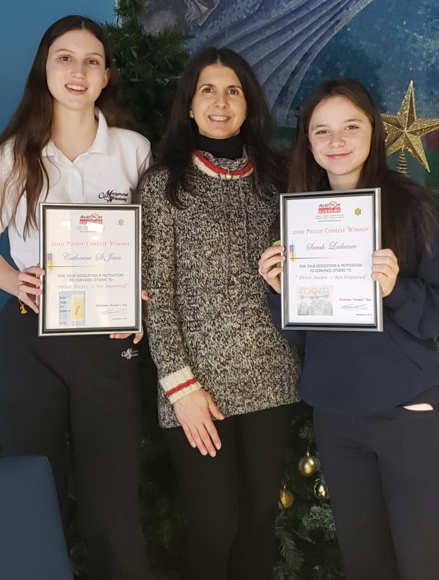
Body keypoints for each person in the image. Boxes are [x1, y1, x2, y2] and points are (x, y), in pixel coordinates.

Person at [258, 78, 439, 580]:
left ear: (373, 131)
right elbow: (304, 335)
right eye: (321, 131)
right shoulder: (299, 218)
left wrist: (396, 290)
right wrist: (279, 291)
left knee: (426, 559)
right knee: (366, 560)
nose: (336, 141)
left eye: (350, 126)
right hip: (336, 413)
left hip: (403, 410)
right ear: (307, 141)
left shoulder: (415, 208)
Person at [0, 15, 150, 580]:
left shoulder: (134, 151)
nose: (78, 71)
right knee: (32, 487)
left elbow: (156, 243)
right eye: (64, 58)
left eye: (91, 60)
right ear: (44, 69)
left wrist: (142, 298)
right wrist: (15, 281)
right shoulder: (12, 155)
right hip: (31, 339)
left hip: (108, 339)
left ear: (105, 77)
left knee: (112, 496)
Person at [139, 47, 301, 580]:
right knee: (214, 526)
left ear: (248, 102)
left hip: (272, 377)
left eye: (233, 90)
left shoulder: (280, 178)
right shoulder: (164, 183)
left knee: (257, 525)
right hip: (195, 389)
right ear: (189, 104)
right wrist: (180, 388)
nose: (220, 101)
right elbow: (156, 293)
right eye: (207, 89)